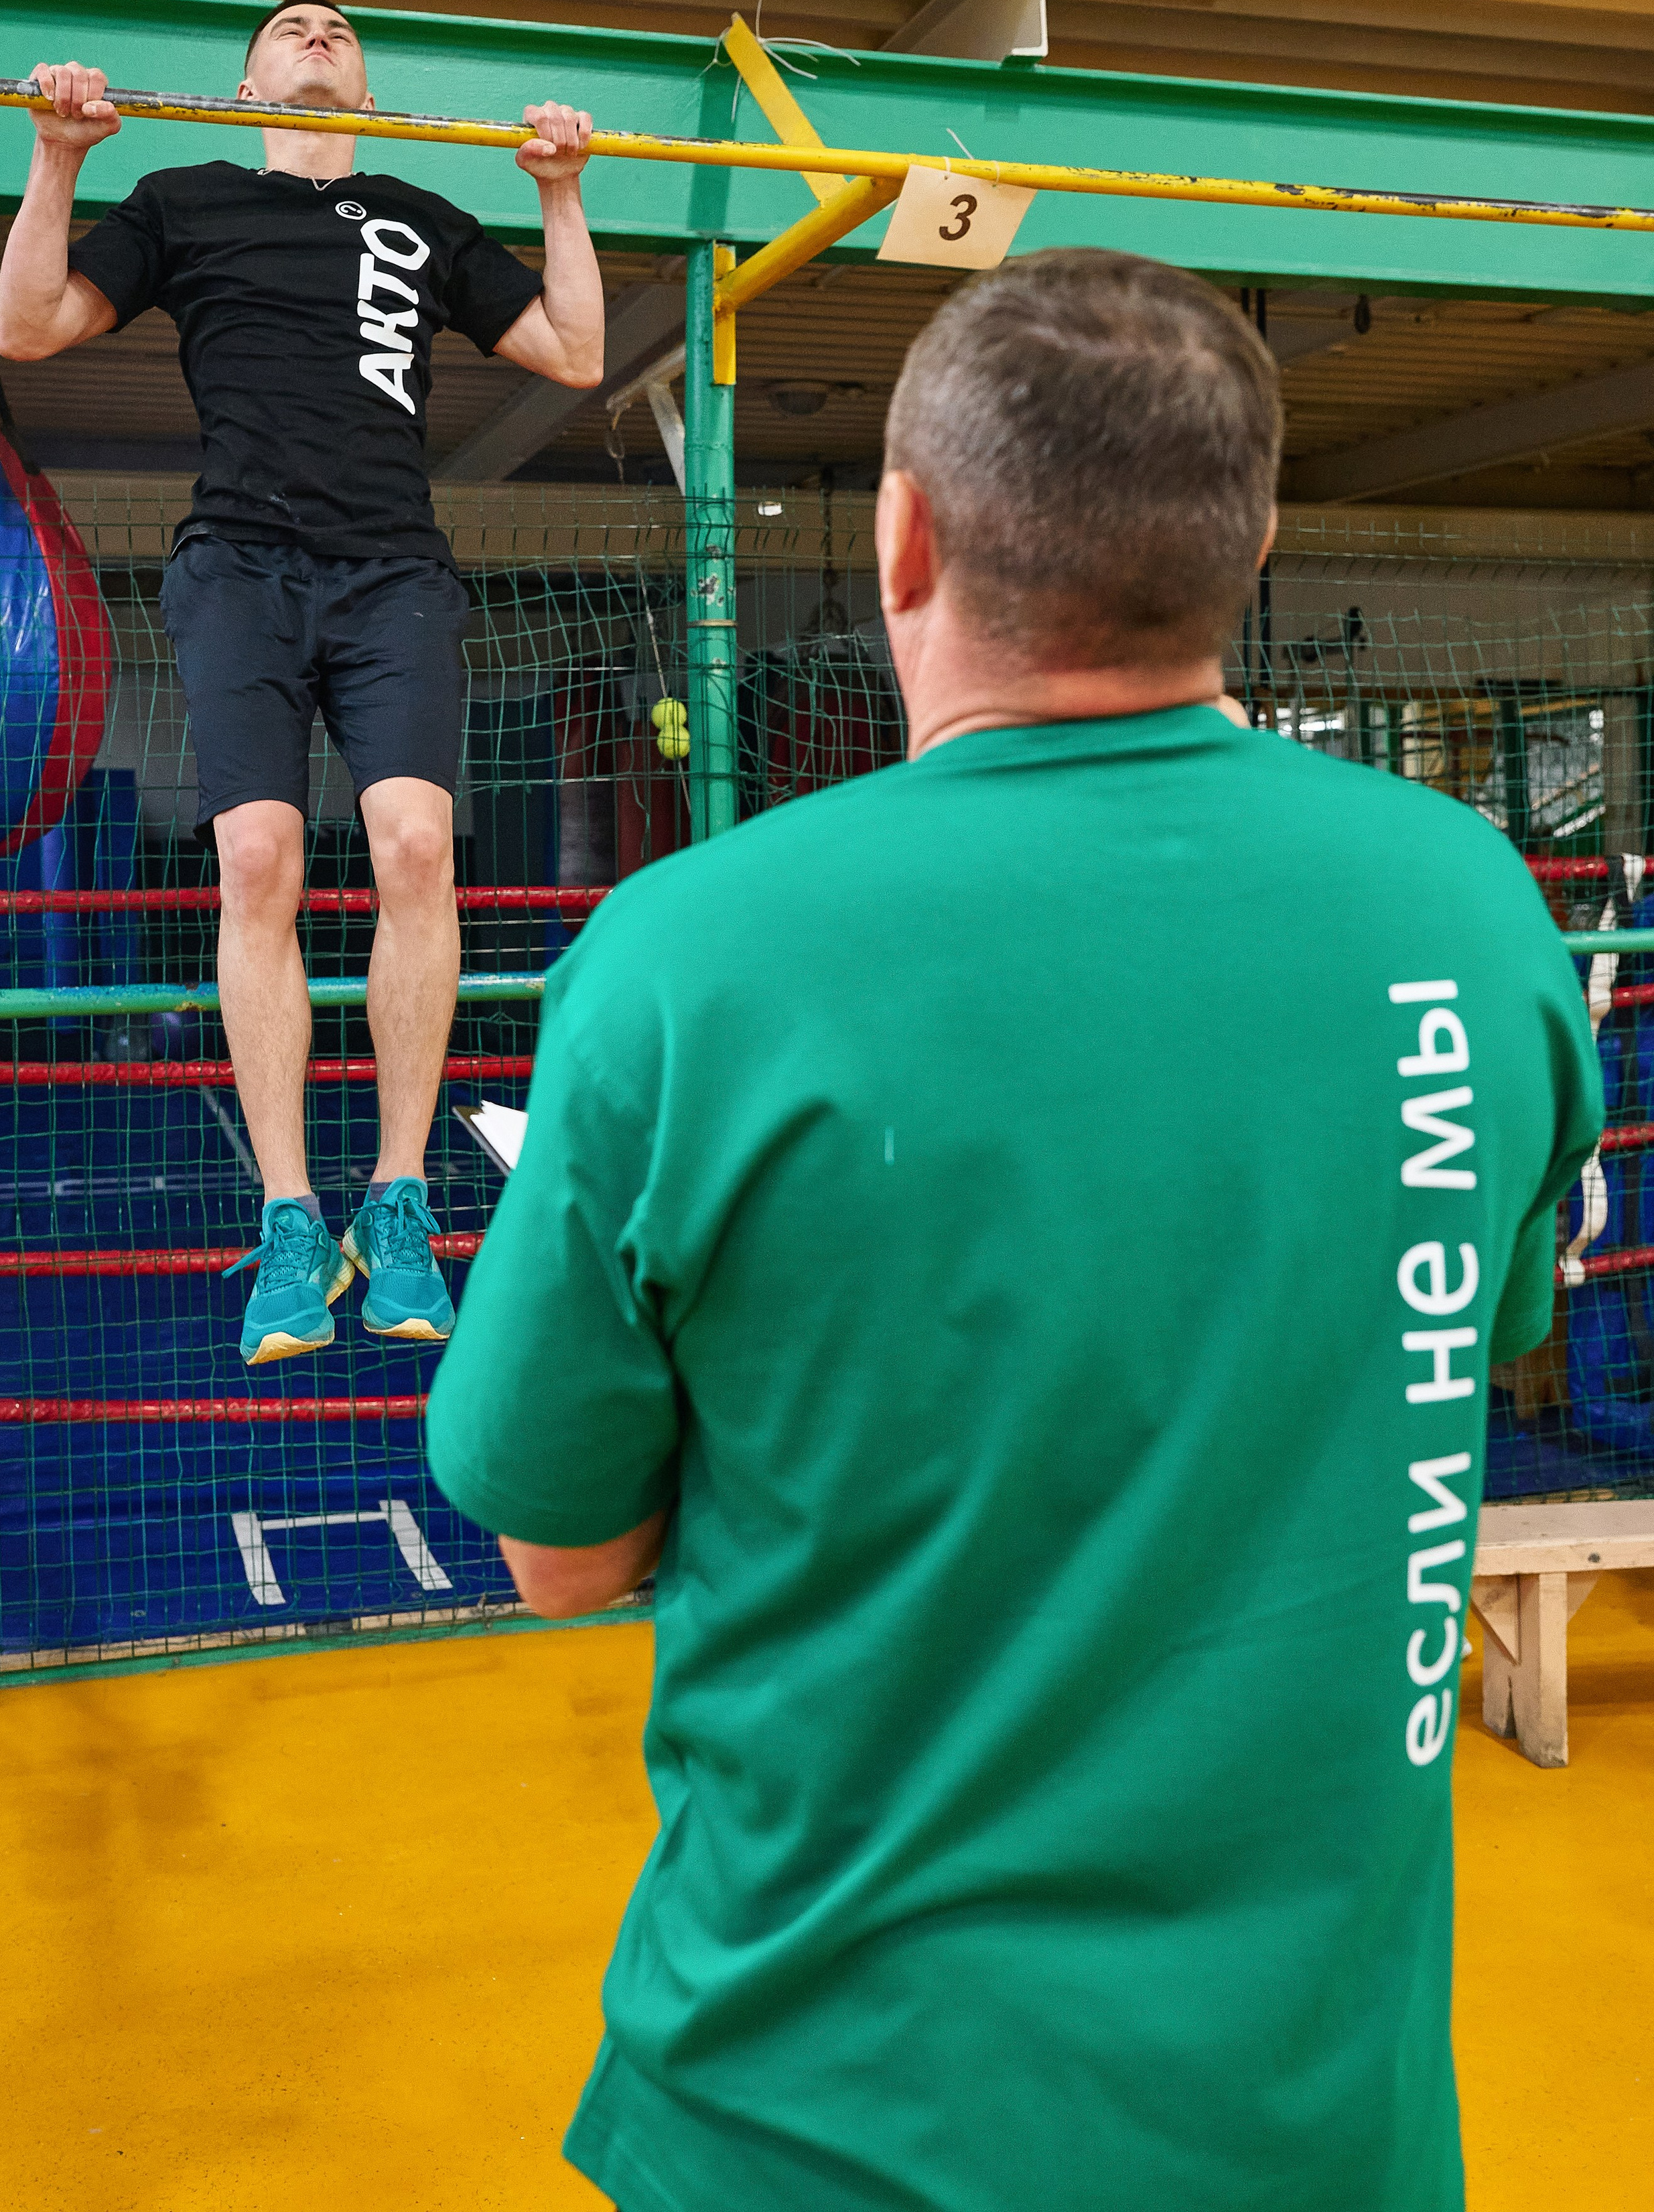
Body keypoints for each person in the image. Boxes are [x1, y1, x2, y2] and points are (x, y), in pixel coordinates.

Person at [424, 248, 1600, 2212]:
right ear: (1256, 541)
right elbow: (1433, 1352)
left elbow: (564, 1555)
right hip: (1322, 2133)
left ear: (903, 536)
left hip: (832, 2126)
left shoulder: (694, 958)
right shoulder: (1477, 912)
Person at [0, 0, 605, 1364]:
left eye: (336, 28)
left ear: (365, 81)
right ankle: (287, 1215)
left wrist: (561, 196)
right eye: (290, 27)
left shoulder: (420, 213)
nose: (316, 33)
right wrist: (55, 156)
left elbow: (572, 354)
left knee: (413, 844)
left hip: (391, 569)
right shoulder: (188, 196)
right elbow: (27, 326)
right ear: (248, 80)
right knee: (259, 860)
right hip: (240, 567)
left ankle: (395, 1203)